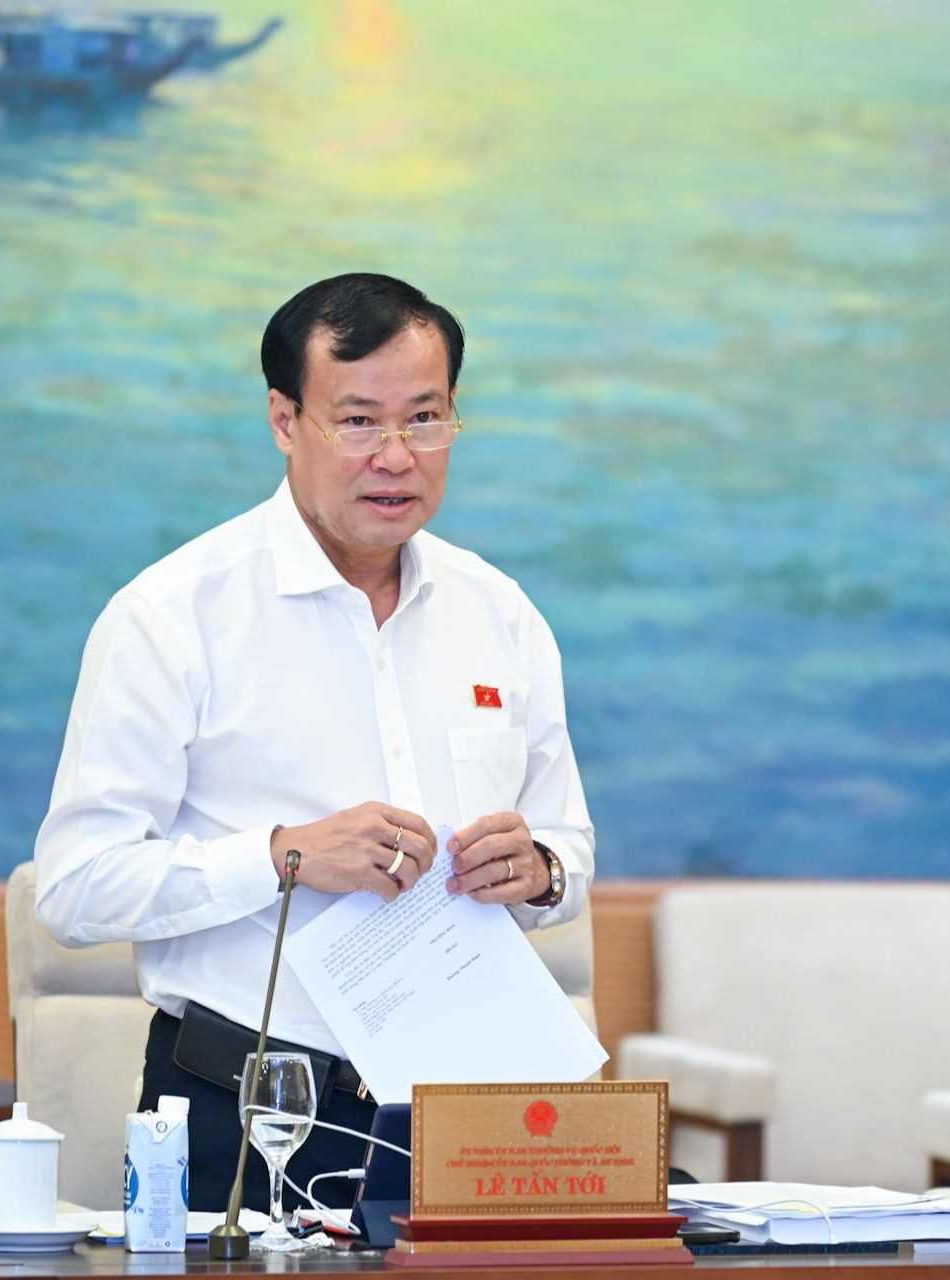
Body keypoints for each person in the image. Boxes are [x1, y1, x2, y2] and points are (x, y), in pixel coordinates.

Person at [33, 273, 594, 1211]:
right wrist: (281, 858)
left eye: (425, 418)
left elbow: (570, 852)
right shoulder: (173, 616)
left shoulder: (501, 615)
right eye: (358, 421)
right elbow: (74, 888)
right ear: (285, 420)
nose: (397, 456)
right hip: (243, 1115)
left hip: (462, 1117)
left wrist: (534, 869)